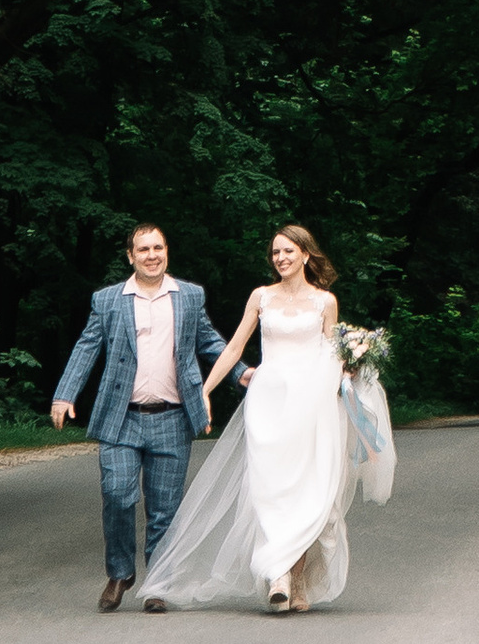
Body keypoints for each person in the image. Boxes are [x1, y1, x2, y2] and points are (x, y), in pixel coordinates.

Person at [140, 222, 394, 615]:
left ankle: (297, 576)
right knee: (270, 490)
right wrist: (205, 390)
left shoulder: (325, 302)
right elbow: (236, 345)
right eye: (276, 252)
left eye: (289, 251)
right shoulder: (261, 297)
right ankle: (278, 576)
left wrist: (352, 369)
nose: (281, 258)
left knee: (308, 493)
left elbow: (332, 353)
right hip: (269, 403)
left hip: (312, 406)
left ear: (306, 255)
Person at [49, 221, 230, 610]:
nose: (152, 256)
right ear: (131, 256)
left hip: (172, 418)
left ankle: (159, 585)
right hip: (121, 418)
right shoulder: (109, 299)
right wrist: (64, 395)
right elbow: (86, 347)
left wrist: (242, 370)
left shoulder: (189, 297)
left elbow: (209, 340)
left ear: (167, 252)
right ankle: (120, 572)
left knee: (164, 508)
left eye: (158, 248)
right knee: (117, 493)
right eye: (143, 250)